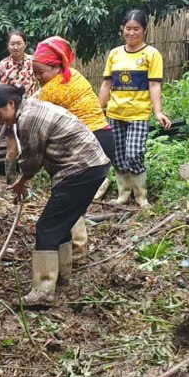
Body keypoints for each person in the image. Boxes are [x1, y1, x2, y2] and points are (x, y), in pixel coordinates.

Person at [0, 85, 110, 307]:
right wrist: (22, 182)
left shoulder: (28, 119)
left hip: (79, 169)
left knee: (47, 227)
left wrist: (21, 182)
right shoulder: (31, 106)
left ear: (11, 104)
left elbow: (32, 159)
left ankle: (43, 291)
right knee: (61, 225)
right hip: (91, 166)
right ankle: (62, 278)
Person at [32, 36, 114, 258]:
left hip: (88, 144)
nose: (38, 77)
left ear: (57, 66)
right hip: (102, 138)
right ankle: (74, 250)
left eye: (41, 72)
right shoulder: (72, 76)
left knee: (67, 204)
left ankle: (74, 251)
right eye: (35, 73)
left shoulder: (54, 90)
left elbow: (32, 114)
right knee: (73, 202)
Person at [99, 9, 171, 208]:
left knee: (134, 153)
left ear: (145, 30)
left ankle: (141, 196)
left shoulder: (151, 54)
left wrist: (158, 111)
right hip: (115, 113)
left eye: (136, 29)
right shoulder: (114, 54)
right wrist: (98, 109)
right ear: (122, 29)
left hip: (138, 113)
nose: (131, 33)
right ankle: (123, 195)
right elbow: (106, 85)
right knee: (118, 155)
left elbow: (154, 85)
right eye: (128, 29)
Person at [0, 29, 37, 96]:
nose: (15, 47)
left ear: (25, 44)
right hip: (12, 103)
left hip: (33, 103)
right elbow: (2, 89)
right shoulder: (2, 65)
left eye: (19, 44)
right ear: (7, 45)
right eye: (12, 44)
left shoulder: (33, 61)